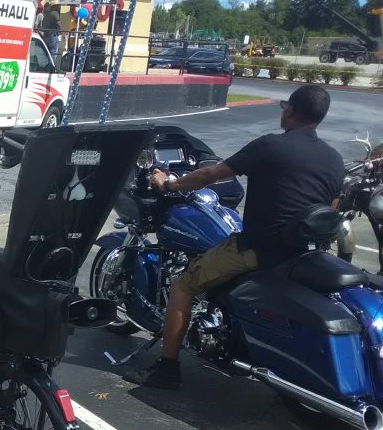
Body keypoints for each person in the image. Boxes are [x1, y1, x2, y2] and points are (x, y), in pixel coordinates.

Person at [125, 85, 345, 390]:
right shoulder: (334, 159)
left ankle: (167, 370)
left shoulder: (270, 146)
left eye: (285, 107)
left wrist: (169, 184)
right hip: (306, 254)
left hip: (259, 249)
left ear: (291, 111)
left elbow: (211, 175)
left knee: (183, 286)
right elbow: (331, 209)